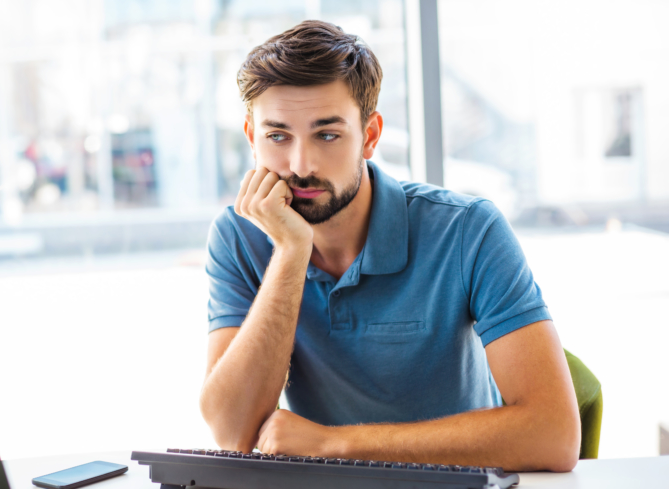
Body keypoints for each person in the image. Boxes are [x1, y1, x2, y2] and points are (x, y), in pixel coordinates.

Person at [198, 20, 580, 472]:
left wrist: (335, 445)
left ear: (371, 136)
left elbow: (553, 435)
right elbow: (232, 432)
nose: (300, 165)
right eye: (278, 136)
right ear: (251, 138)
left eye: (327, 134)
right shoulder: (240, 235)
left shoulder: (469, 230)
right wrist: (289, 252)